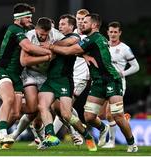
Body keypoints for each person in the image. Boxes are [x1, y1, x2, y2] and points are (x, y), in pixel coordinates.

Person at [46, 13, 138, 152]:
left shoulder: (93, 38)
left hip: (112, 80)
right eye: (81, 21)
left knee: (117, 116)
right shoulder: (93, 39)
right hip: (98, 82)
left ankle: (132, 143)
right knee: (88, 117)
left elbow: (70, 51)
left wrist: (51, 47)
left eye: (85, 22)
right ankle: (103, 128)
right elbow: (77, 51)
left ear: (94, 25)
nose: (81, 24)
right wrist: (84, 55)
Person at [0, 3, 51, 150]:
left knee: (15, 114)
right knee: (8, 99)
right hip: (3, 70)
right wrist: (49, 52)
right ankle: (2, 133)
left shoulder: (26, 29)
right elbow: (27, 47)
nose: (29, 19)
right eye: (27, 17)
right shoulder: (14, 29)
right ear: (18, 18)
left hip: (16, 76)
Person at [38, 14, 97, 151]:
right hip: (51, 79)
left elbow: (67, 44)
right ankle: (50, 136)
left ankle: (87, 136)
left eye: (63, 24)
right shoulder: (53, 37)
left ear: (71, 26)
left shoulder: (75, 37)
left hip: (64, 80)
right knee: (43, 106)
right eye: (59, 23)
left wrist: (50, 46)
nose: (60, 26)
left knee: (66, 114)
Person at [100, 21, 139, 148]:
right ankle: (123, 118)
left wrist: (122, 73)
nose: (113, 34)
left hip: (118, 83)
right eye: (111, 31)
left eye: (115, 32)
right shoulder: (103, 45)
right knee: (101, 115)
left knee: (110, 114)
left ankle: (111, 142)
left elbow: (136, 67)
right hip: (103, 83)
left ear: (120, 33)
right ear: (107, 32)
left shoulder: (125, 48)